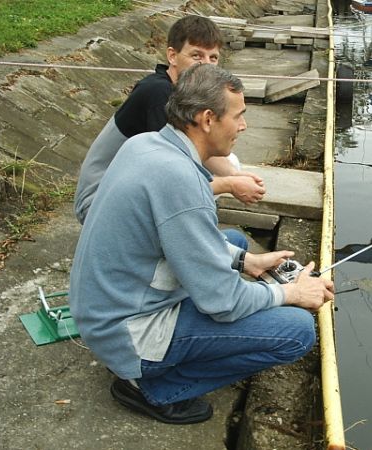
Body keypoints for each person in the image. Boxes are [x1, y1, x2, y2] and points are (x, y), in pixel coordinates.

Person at [69, 64, 335, 424]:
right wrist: (292, 295)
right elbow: (222, 302)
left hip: (102, 312)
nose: (243, 126)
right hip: (127, 335)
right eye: (239, 116)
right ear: (208, 119)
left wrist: (247, 262)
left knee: (235, 243)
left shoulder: (144, 144)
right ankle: (152, 388)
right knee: (296, 332)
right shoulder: (181, 181)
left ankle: (152, 362)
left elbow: (177, 236)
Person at [73, 15, 265, 224]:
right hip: (98, 201)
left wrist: (236, 175)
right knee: (201, 180)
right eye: (196, 56)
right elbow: (173, 176)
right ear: (172, 56)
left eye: (213, 58)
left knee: (230, 162)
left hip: (131, 186)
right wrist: (230, 184)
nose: (207, 65)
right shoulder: (159, 93)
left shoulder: (187, 91)